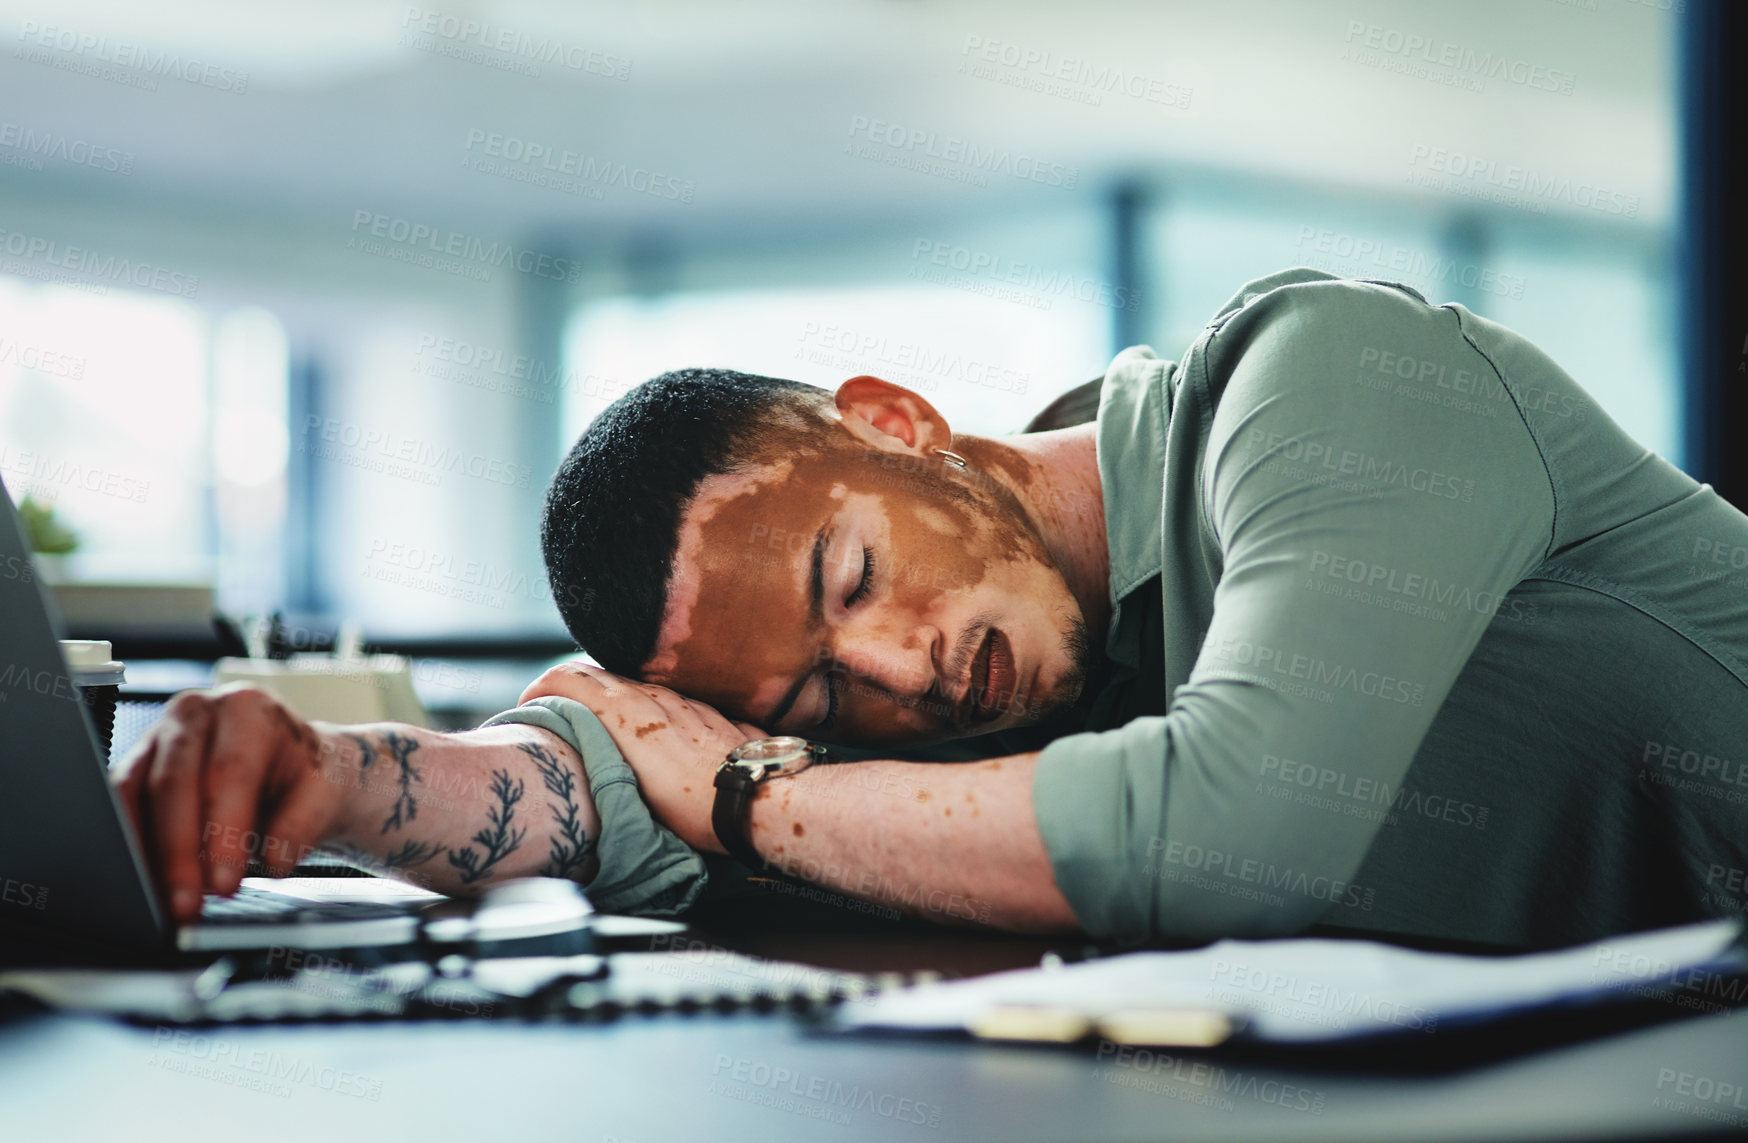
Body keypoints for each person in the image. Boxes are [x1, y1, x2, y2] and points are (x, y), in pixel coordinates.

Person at [114, 267, 1748, 949]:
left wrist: (759, 788)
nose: (904, 675)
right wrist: (333, 785)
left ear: (893, 421)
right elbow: (617, 773)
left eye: (852, 577)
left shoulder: (1328, 382)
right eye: (820, 698)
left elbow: (1243, 822)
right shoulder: (1026, 691)